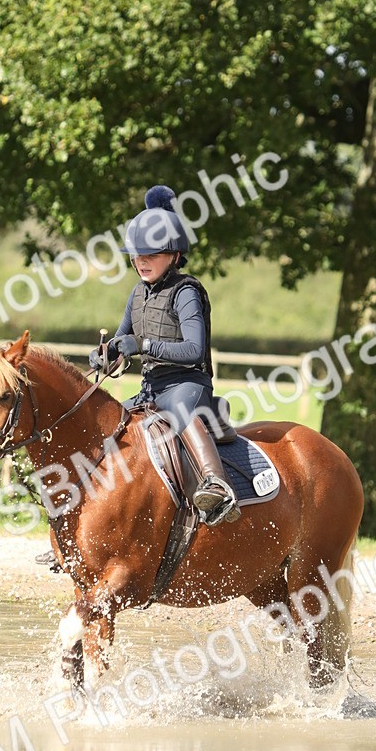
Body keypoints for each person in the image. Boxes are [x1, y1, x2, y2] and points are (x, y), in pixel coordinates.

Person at [89, 184, 240, 525]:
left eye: (152, 254)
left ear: (174, 255)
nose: (142, 261)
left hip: (187, 385)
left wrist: (143, 347)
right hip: (150, 389)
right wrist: (106, 354)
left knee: (180, 410)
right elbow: (121, 340)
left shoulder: (185, 292)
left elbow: (194, 350)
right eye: (136, 255)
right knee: (108, 422)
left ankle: (216, 485)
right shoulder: (138, 293)